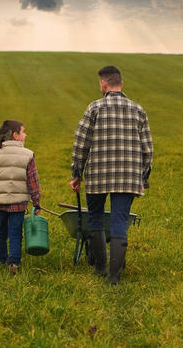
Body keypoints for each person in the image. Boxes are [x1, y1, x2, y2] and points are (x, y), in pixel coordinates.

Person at [70, 66, 152, 285]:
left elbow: (81, 142)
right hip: (128, 177)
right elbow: (148, 149)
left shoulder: (94, 108)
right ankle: (114, 277)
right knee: (119, 222)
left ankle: (100, 269)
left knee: (95, 218)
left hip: (98, 176)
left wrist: (77, 172)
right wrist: (144, 175)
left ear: (103, 84)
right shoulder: (138, 110)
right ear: (121, 84)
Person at [0, 120, 42, 275]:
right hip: (18, 204)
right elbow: (33, 182)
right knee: (15, 232)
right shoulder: (28, 155)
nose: (25, 134)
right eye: (23, 131)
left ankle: (2, 258)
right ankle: (13, 261)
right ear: (15, 135)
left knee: (1, 230)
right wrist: (37, 202)